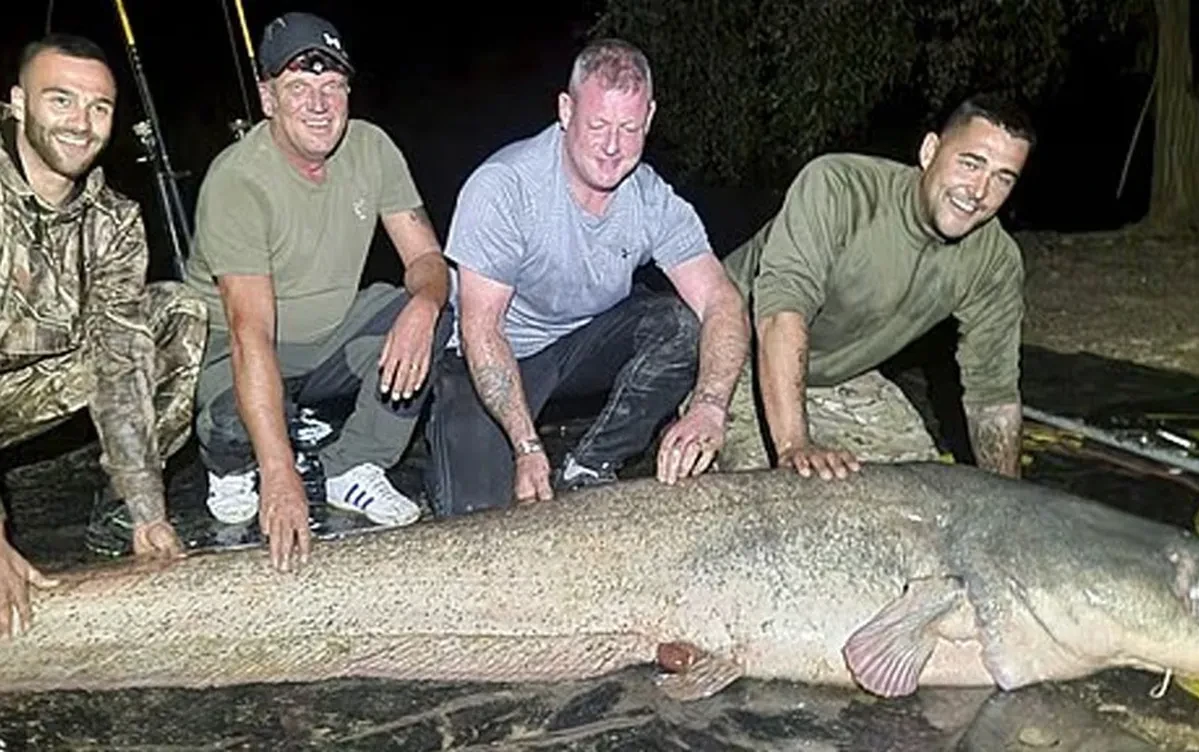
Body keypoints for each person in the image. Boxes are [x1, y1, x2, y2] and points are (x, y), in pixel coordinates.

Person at [426, 38, 749, 514]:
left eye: (629, 128)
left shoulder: (651, 199)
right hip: (490, 356)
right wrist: (526, 447)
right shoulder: (504, 186)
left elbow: (723, 303)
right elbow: (480, 329)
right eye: (597, 125)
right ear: (565, 109)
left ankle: (589, 465)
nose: (613, 147)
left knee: (680, 326)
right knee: (473, 510)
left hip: (579, 349)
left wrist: (711, 405)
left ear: (650, 118)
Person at [185, 12, 451, 572]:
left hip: (331, 339)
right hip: (243, 348)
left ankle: (352, 465)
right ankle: (234, 466)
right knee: (239, 422)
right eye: (299, 88)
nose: (319, 104)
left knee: (431, 313)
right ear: (267, 98)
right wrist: (280, 478)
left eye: (332, 87)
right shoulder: (236, 181)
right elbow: (249, 332)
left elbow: (428, 260)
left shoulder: (373, 148)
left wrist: (425, 304)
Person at [0, 34, 209, 637]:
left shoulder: (115, 218)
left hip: (27, 391)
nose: (81, 124)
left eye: (99, 107)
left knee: (177, 311)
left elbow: (119, 363)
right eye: (60, 100)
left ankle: (117, 517)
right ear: (18, 102)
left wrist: (148, 511)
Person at [719, 94, 1035, 481]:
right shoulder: (839, 186)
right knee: (786, 494)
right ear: (930, 150)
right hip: (740, 358)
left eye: (1003, 179)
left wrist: (1010, 501)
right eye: (971, 164)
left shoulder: (995, 260)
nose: (979, 192)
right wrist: (794, 446)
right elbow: (781, 312)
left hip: (840, 375)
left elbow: (994, 399)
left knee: (925, 489)